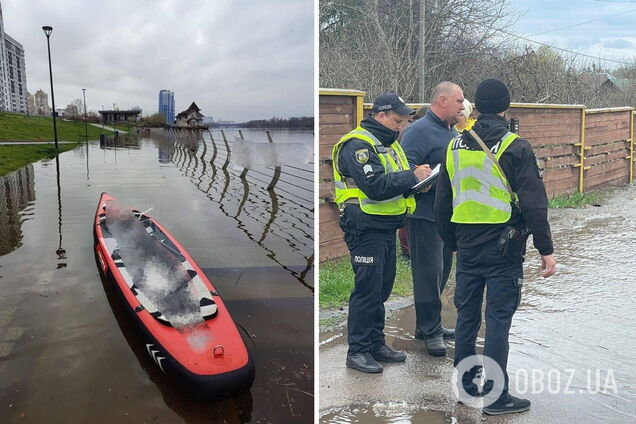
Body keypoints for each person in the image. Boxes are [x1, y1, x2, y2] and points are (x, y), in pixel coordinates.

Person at [434, 78, 556, 415]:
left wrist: (452, 242)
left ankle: (466, 388)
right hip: (505, 247)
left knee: (467, 318)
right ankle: (496, 398)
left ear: (476, 105)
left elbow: (442, 204)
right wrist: (546, 250)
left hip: (467, 246)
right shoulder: (516, 146)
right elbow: (534, 205)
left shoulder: (454, 146)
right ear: (506, 106)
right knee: (498, 319)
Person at [332, 92, 431, 373]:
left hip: (385, 225)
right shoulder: (358, 144)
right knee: (367, 289)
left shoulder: (388, 144)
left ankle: (376, 343)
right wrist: (411, 176)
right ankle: (358, 350)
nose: (401, 127)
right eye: (397, 120)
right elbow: (374, 185)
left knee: (382, 288)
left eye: (404, 121)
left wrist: (418, 179)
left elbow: (394, 180)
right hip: (364, 226)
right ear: (381, 116)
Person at [400, 81, 465, 356]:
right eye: (459, 101)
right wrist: (421, 174)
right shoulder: (418, 131)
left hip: (446, 216)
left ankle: (428, 325)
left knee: (442, 273)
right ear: (442, 101)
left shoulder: (450, 131)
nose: (463, 106)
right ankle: (431, 332)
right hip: (423, 215)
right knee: (428, 275)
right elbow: (406, 168)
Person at [397, 105, 429, 259]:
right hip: (409, 178)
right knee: (407, 221)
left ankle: (406, 251)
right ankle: (407, 252)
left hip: (403, 179)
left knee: (405, 221)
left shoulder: (407, 129)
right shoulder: (414, 131)